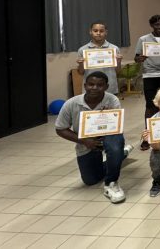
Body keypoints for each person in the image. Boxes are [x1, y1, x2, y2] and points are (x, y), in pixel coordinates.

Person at [55, 71, 131, 203]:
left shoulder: (112, 100)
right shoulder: (71, 103)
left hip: (108, 137)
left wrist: (109, 116)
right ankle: (121, 154)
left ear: (106, 87)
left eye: (100, 85)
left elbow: (116, 127)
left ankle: (111, 183)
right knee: (91, 180)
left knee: (114, 147)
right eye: (91, 84)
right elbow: (60, 129)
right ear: (85, 85)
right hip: (85, 142)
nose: (94, 88)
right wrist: (84, 140)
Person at [134, 14, 160, 150]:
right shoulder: (143, 40)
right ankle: (147, 137)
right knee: (150, 106)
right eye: (157, 24)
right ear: (152, 25)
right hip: (149, 75)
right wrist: (140, 58)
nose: (159, 27)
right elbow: (136, 58)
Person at [76, 21, 123, 95]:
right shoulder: (82, 50)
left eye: (101, 31)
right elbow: (81, 72)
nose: (98, 33)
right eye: (95, 31)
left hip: (110, 88)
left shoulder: (114, 49)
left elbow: (118, 71)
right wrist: (81, 64)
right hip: (91, 88)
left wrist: (119, 62)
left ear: (106, 32)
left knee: (110, 103)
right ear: (90, 32)